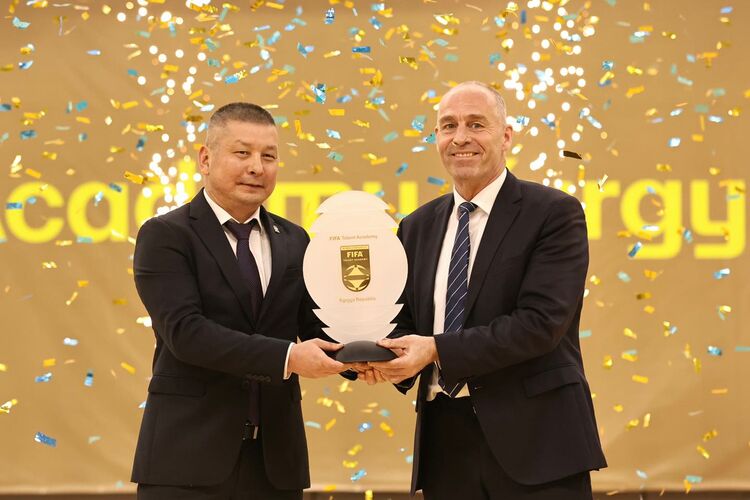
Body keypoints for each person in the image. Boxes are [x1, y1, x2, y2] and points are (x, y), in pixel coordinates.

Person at [364, 81, 607, 499]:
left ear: (506, 136)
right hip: (445, 446)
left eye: (476, 124)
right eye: (448, 126)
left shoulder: (554, 213)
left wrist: (435, 349)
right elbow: (403, 321)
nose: (460, 137)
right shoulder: (416, 226)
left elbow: (539, 325)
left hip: (538, 443)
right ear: (437, 137)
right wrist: (375, 355)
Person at [131, 102, 348, 499]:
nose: (256, 167)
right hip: (186, 462)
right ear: (205, 159)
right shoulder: (166, 235)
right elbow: (186, 334)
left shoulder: (295, 239)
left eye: (269, 156)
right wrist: (287, 357)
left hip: (275, 466)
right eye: (242, 153)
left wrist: (368, 350)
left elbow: (318, 325)